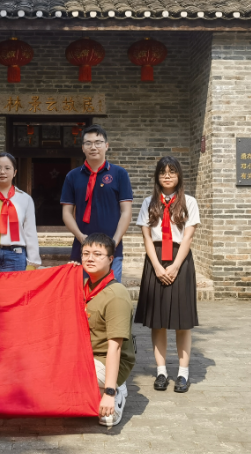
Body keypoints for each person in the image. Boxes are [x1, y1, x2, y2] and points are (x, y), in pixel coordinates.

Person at [134, 156, 200, 394]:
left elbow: (188, 238)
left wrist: (175, 266)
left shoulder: (189, 202)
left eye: (172, 171)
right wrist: (157, 267)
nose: (167, 176)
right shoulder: (148, 202)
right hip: (155, 260)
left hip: (181, 260)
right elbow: (146, 238)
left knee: (182, 322)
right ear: (157, 177)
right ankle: (161, 371)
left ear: (179, 175)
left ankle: (183, 373)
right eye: (163, 172)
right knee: (158, 321)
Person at [60, 124, 133, 281]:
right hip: (82, 248)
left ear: (106, 145)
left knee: (110, 291)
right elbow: (66, 213)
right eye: (88, 143)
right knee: (81, 291)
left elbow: (126, 211)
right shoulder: (72, 176)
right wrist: (81, 237)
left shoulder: (120, 174)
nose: (93, 147)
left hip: (111, 248)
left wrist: (114, 242)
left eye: (98, 142)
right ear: (83, 148)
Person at [77, 232, 135, 427]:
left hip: (107, 359)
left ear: (111, 259)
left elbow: (115, 347)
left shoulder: (116, 295)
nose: (90, 258)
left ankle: (114, 391)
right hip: (85, 355)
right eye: (85, 254)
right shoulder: (81, 286)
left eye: (97, 254)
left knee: (66, 374)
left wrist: (109, 393)